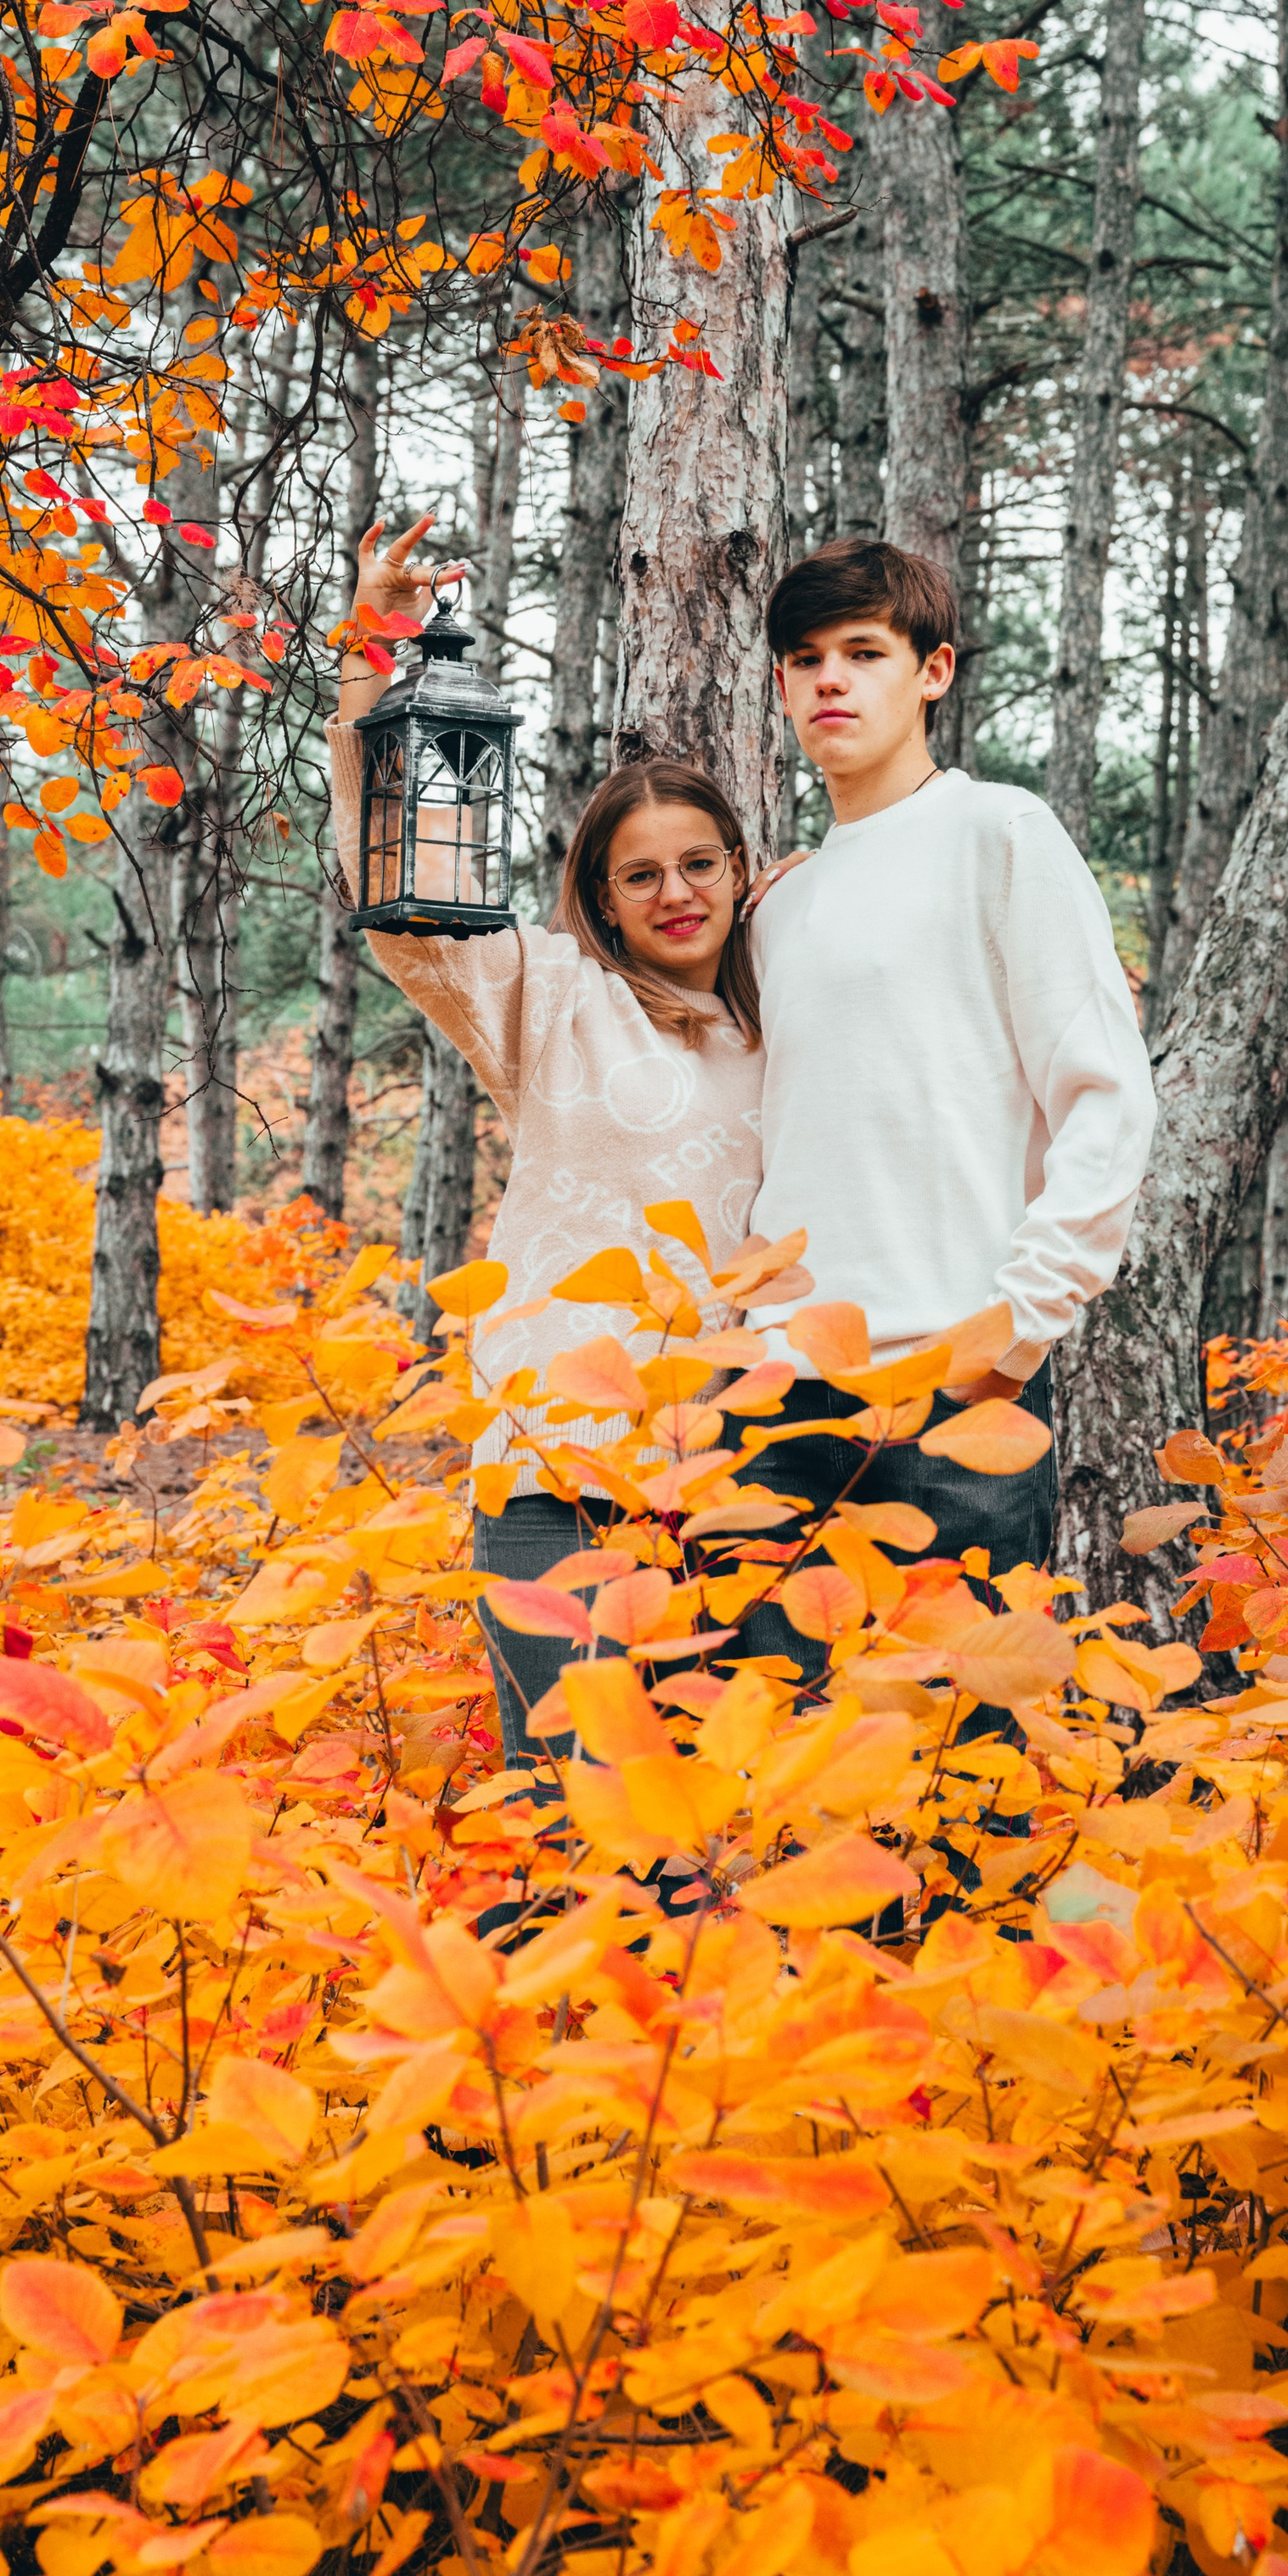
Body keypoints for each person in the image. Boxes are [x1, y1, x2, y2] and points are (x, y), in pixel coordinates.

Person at [331, 518, 765, 1772]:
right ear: (601, 893)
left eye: (700, 864)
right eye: (641, 876)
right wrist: (372, 648)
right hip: (556, 1473)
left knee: (726, 1831)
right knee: (579, 1813)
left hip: (743, 1484)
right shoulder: (548, 996)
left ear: (741, 872)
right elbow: (389, 882)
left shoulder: (793, 1010)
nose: (676, 893)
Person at [724, 534, 1156, 1664]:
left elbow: (1108, 1097)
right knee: (779, 1778)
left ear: (934, 671)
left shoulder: (998, 833)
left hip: (955, 1388)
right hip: (777, 1396)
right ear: (779, 684)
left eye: (864, 652)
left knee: (959, 1775)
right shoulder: (778, 907)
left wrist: (1013, 1333)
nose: (829, 678)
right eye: (805, 656)